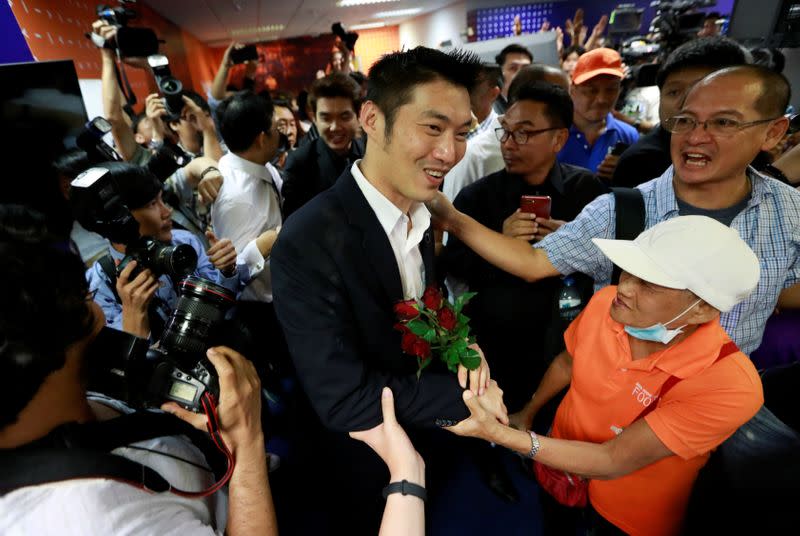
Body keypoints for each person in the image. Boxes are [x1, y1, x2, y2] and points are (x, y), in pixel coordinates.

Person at [271, 47, 506, 535]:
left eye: (462, 133)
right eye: (433, 128)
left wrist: (462, 347)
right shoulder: (309, 239)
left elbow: (425, 297)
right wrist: (465, 402)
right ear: (373, 119)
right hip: (364, 455)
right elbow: (342, 398)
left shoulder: (423, 210)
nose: (450, 152)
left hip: (423, 428)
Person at [428, 65, 799, 357]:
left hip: (720, 414)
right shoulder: (620, 210)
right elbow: (532, 263)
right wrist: (450, 216)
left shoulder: (790, 212)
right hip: (614, 404)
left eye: (723, 122)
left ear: (772, 132)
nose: (696, 135)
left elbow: (782, 290)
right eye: (685, 121)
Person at [446, 215, 764, 535]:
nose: (623, 287)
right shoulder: (605, 304)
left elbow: (613, 459)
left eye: (649, 283)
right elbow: (567, 364)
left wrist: (500, 435)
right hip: (558, 465)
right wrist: (527, 413)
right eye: (630, 269)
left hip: (628, 515)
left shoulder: (730, 386)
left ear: (702, 309)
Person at [0, 206, 276, 536]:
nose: (98, 311)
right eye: (84, 297)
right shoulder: (89, 517)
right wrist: (247, 445)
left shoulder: (74, 390)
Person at [443, 81, 608, 412]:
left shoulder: (587, 192)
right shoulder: (477, 197)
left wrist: (575, 242)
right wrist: (498, 242)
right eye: (505, 132)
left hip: (567, 344)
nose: (508, 144)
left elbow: (610, 266)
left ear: (558, 138)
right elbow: (453, 267)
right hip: (495, 346)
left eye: (523, 133)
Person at [78, 163, 244, 341]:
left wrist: (227, 271)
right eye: (152, 204)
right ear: (121, 217)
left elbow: (224, 309)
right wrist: (133, 313)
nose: (167, 212)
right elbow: (132, 363)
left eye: (161, 200)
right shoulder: (102, 286)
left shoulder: (183, 242)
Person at [612, 37, 748, 188]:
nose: (685, 103)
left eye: (701, 90)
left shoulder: (750, 152)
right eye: (674, 92)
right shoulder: (640, 162)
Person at [443, 64, 570, 202]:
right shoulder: (473, 156)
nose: (508, 145)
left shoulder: (583, 185)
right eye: (557, 94)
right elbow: (450, 216)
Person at [281, 73, 365, 218]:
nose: (334, 127)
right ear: (314, 118)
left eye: (344, 117)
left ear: (358, 115)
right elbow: (293, 226)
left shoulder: (371, 152)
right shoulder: (300, 163)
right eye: (326, 118)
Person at [559, 48, 639, 179]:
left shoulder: (628, 136)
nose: (602, 99)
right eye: (591, 90)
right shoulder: (553, 134)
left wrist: (626, 173)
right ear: (572, 90)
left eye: (611, 89)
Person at [493, 44, 533, 114]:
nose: (520, 73)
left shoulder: (540, 103)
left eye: (526, 68)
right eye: (513, 68)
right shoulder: (488, 108)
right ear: (499, 73)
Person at [466, 63, 501, 140]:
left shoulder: (501, 133)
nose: (466, 93)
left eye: (473, 88)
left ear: (494, 93)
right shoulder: (451, 127)